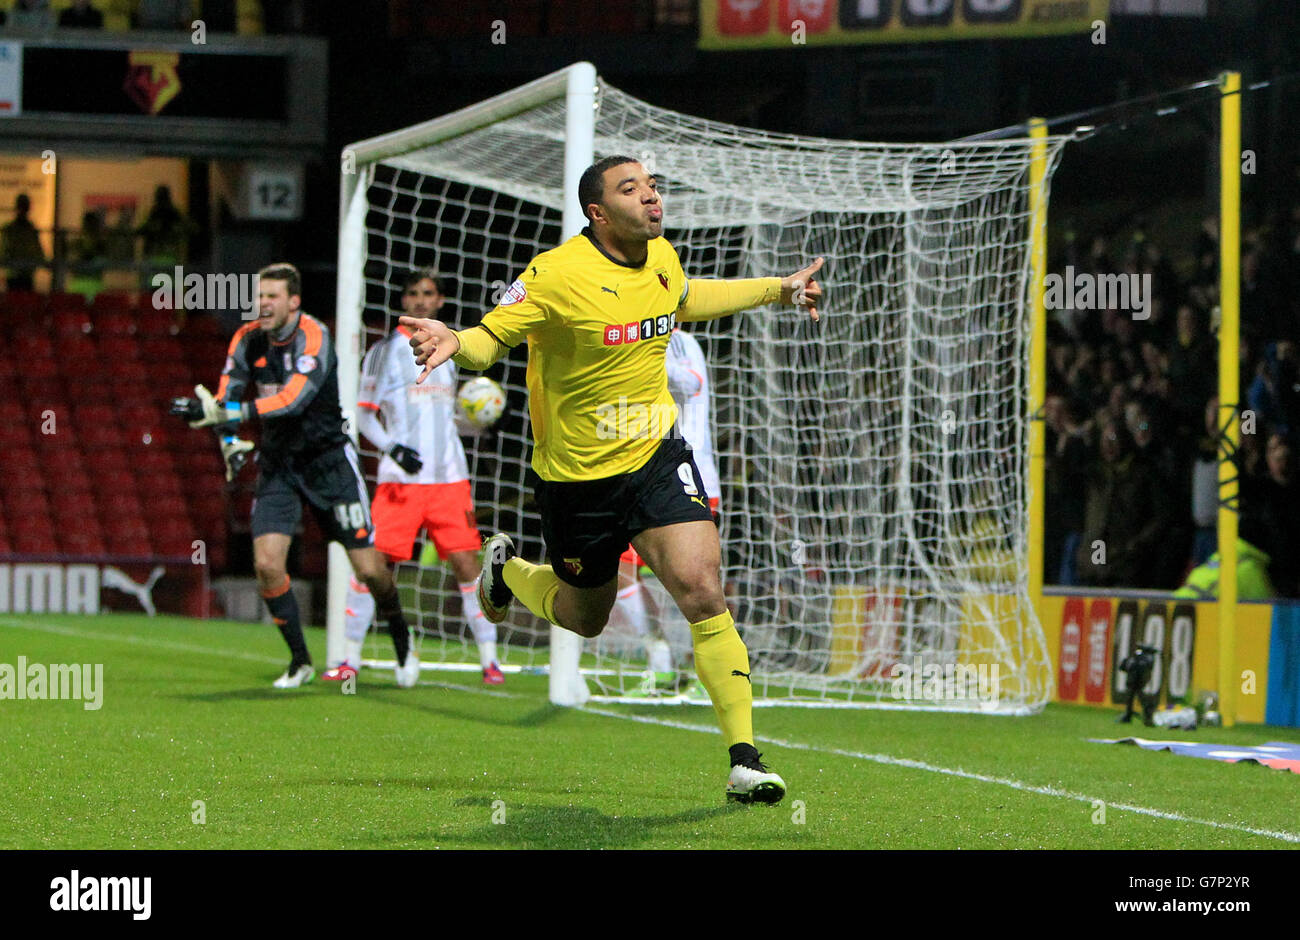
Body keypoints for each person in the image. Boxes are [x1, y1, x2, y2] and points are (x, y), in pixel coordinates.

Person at [400, 155, 823, 804]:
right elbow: (493, 337)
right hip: (577, 482)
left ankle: (744, 760)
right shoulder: (555, 274)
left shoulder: (662, 257)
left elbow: (687, 298)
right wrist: (455, 341)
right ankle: (508, 572)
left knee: (702, 587)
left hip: (656, 457)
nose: (651, 197)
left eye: (651, 185)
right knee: (585, 616)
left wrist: (778, 289)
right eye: (631, 189)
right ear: (597, 212)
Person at [176, 263, 419, 689]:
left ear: (294, 301)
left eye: (273, 296)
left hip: (329, 464)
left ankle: (401, 636)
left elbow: (291, 401)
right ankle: (300, 660)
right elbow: (227, 394)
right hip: (279, 465)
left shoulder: (315, 338)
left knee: (370, 570)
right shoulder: (247, 340)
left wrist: (225, 413)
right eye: (260, 295)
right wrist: (228, 435)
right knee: (267, 564)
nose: (263, 304)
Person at [324, 268, 503, 686]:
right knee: (373, 568)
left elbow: (450, 420)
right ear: (404, 301)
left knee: (466, 565)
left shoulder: (454, 350)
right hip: (399, 481)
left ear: (440, 302)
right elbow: (364, 415)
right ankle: (350, 656)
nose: (421, 300)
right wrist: (393, 448)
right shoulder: (384, 352)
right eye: (413, 294)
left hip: (449, 480)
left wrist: (478, 422)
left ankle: (490, 661)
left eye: (429, 294)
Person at [616, 325, 720, 694]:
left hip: (692, 476)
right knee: (621, 571)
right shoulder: (626, 335)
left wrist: (641, 357)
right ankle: (660, 663)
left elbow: (691, 384)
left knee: (699, 586)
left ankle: (715, 672)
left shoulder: (677, 339)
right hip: (645, 475)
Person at [1, 194, 47, 291]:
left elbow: (37, 250)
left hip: (24, 274)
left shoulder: (29, 229)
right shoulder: (10, 229)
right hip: (15, 273)